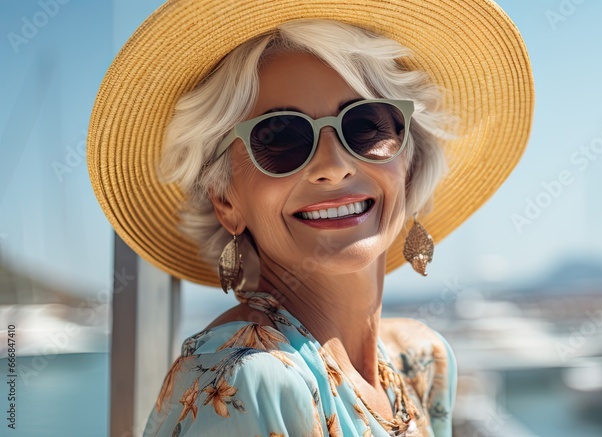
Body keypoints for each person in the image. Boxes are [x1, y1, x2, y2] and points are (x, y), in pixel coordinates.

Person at [85, 1, 533, 435]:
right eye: (280, 136)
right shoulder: (250, 379)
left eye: (366, 125)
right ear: (225, 200)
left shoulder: (420, 360)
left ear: (409, 166)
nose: (333, 164)